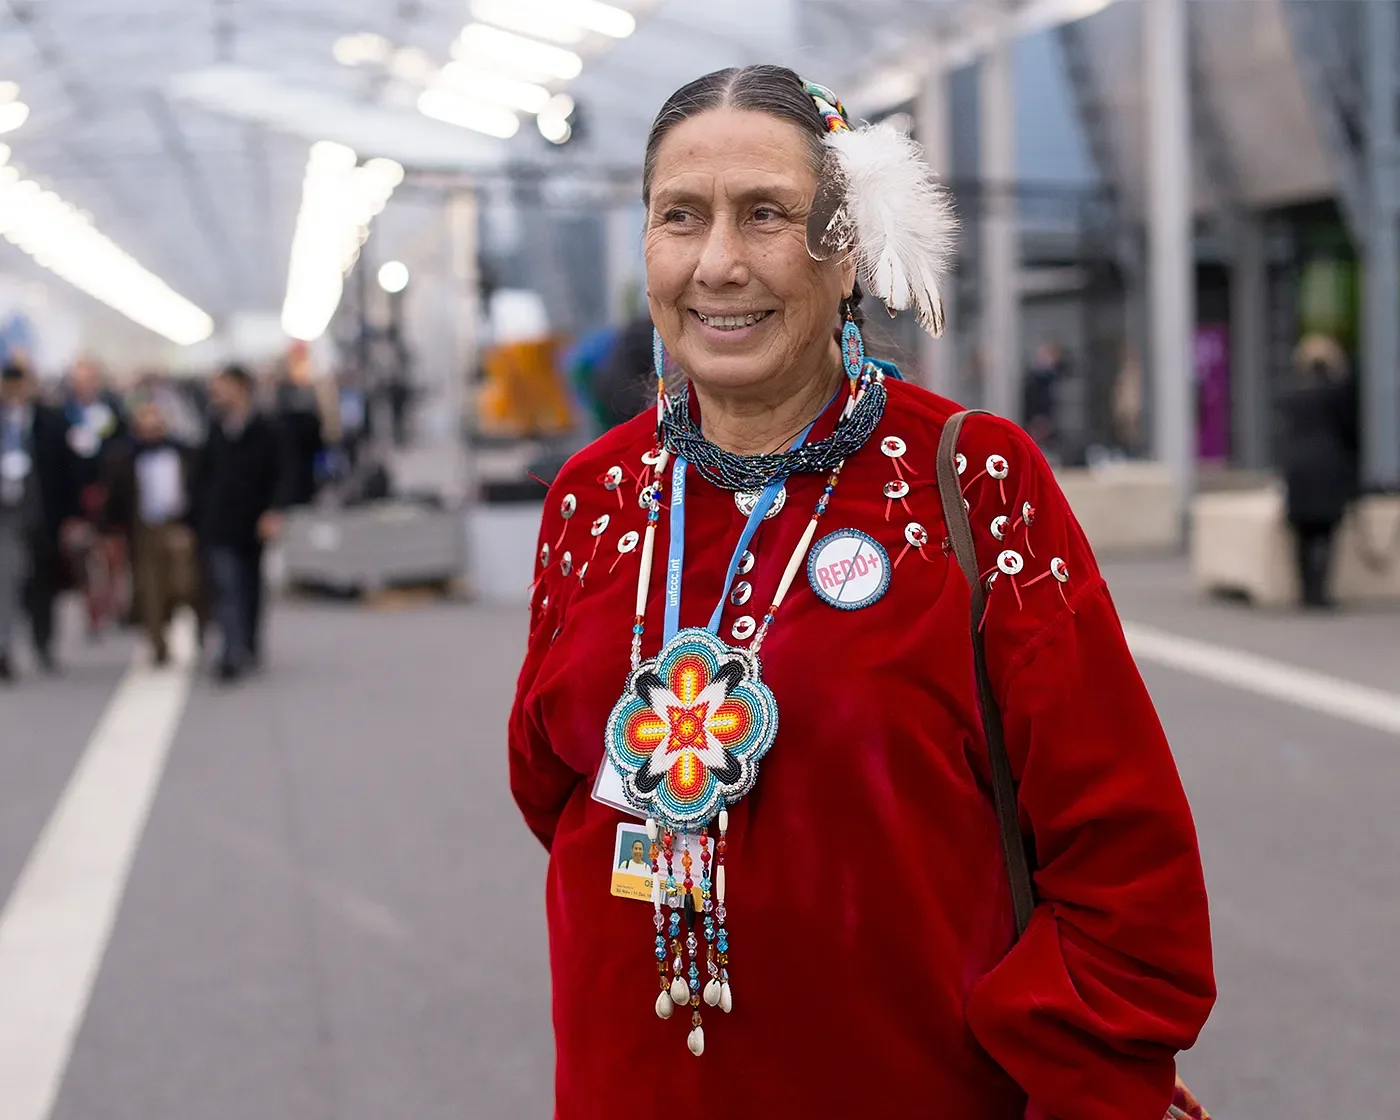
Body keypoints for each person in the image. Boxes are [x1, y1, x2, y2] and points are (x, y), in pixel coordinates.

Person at [509, 66, 1214, 1119]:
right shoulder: (593, 495)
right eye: (680, 216)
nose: (717, 263)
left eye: (765, 214)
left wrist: (1085, 1077)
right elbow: (550, 782)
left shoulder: (973, 481)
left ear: (847, 249)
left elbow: (1123, 855)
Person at [196, 364, 287, 681]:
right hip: (218, 521)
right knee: (226, 585)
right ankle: (230, 650)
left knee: (249, 585)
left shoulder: (266, 427)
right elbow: (202, 474)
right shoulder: (213, 426)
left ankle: (248, 643)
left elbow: (281, 472)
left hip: (253, 520)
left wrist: (275, 510)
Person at [105, 397, 203, 666]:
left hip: (178, 526)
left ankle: (188, 623)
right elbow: (114, 498)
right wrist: (110, 530)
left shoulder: (184, 453)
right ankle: (158, 642)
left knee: (184, 583)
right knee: (150, 590)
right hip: (144, 530)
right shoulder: (125, 458)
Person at [0, 361, 78, 678]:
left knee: (43, 583)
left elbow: (67, 471)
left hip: (42, 513)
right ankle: (4, 648)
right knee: (7, 580)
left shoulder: (50, 420)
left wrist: (71, 516)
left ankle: (43, 643)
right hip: (6, 515)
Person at [1280, 334, 1359, 608]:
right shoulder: (1337, 393)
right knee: (1326, 533)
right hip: (1329, 465)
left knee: (1301, 534)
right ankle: (1320, 592)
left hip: (1298, 468)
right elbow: (1349, 431)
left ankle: (1306, 591)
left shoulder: (1293, 394)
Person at [63, 357, 130, 636]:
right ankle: (92, 609)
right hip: (78, 497)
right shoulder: (65, 414)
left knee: (112, 554)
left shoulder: (112, 411)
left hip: (109, 496)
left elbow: (123, 449)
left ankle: (114, 604)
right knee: (82, 556)